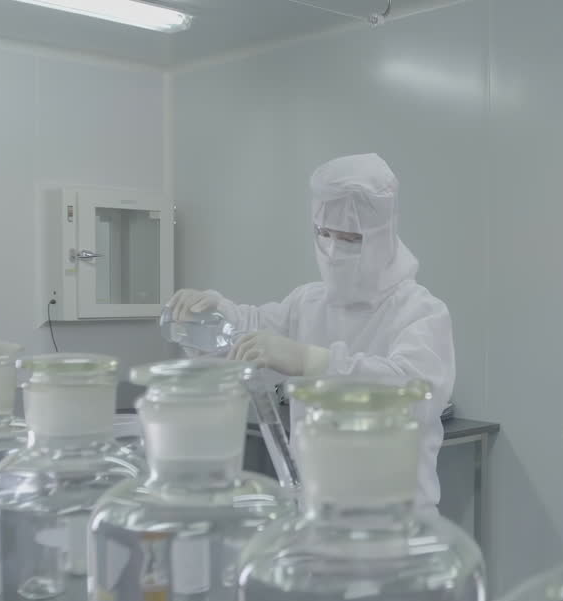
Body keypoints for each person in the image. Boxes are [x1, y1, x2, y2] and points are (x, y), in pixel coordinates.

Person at [168, 153, 455, 508]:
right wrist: (210, 317)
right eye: (324, 233)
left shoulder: (420, 311)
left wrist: (312, 361)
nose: (334, 250)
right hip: (315, 515)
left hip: (395, 522)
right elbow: (247, 334)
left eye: (350, 238)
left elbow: (413, 395)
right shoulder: (308, 302)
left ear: (383, 234)